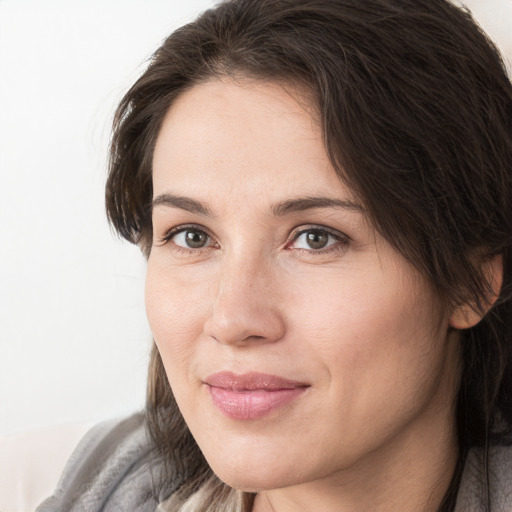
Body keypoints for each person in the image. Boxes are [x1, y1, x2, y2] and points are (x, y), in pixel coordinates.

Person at [36, 0, 512, 510]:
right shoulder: (94, 488)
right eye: (192, 236)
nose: (233, 319)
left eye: (316, 238)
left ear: (469, 281)